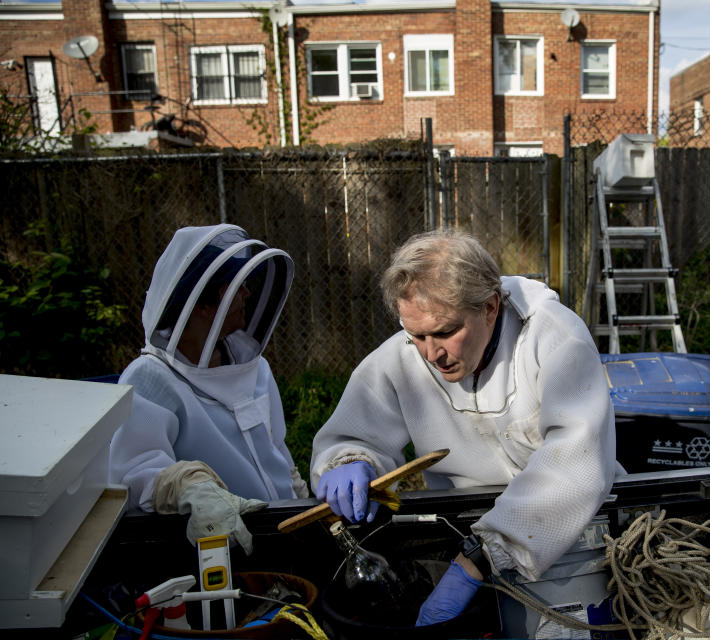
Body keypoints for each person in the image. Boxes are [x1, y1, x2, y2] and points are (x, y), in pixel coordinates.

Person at [310, 229, 620, 626]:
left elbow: (576, 462)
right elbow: (354, 432)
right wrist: (349, 460)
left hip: (573, 542)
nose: (431, 353)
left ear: (490, 307)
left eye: (445, 332)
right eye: (416, 335)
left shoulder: (552, 337)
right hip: (462, 539)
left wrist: (485, 553)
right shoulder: (405, 356)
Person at [109, 224, 309, 555]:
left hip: (284, 532)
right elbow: (133, 471)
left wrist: (300, 496)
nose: (247, 293)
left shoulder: (253, 366)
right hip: (215, 550)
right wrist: (187, 484)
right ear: (202, 306)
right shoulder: (150, 379)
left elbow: (275, 447)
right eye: (236, 287)